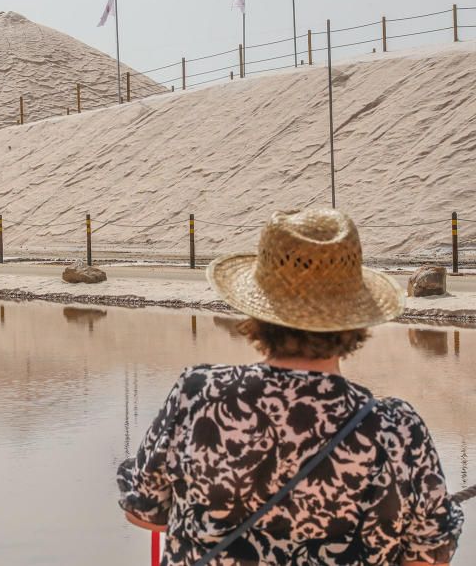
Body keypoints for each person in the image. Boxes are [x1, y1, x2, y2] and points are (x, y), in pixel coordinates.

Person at [117, 209, 464, 564]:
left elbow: (143, 511)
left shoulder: (199, 397)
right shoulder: (397, 430)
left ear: (257, 309)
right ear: (355, 319)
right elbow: (430, 554)